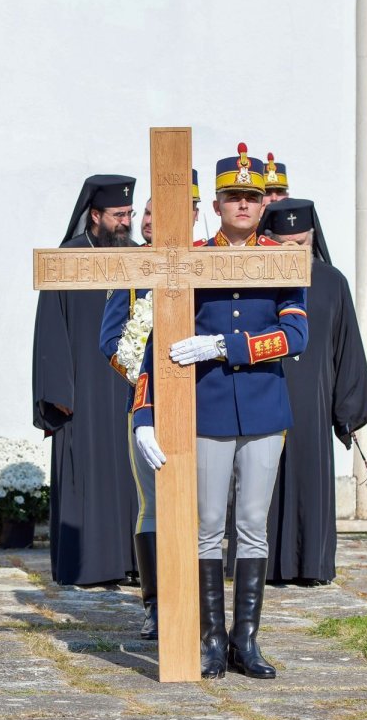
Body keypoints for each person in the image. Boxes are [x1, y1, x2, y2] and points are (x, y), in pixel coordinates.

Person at [132, 142, 308, 679]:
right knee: (208, 526)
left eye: (251, 199)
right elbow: (155, 346)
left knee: (252, 525)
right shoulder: (189, 259)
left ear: (262, 205)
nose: (242, 207)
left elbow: (295, 334)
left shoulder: (281, 259)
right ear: (215, 203)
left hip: (261, 410)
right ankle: (210, 640)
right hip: (204, 411)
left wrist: (224, 347)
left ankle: (245, 641)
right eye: (232, 197)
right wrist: (144, 415)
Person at [97, 170, 201, 640]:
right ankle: (156, 603)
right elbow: (112, 341)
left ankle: (202, 602)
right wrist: (150, 381)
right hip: (148, 405)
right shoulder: (134, 267)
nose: (150, 220)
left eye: (166, 210)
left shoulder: (213, 263)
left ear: (194, 213)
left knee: (207, 506)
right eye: (148, 210)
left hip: (207, 404)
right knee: (154, 505)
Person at [259, 198, 367, 585]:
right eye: (287, 245)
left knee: (310, 479)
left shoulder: (332, 281)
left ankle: (311, 565)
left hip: (313, 401)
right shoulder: (255, 279)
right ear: (271, 241)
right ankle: (261, 566)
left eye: (302, 244)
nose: (296, 252)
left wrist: (347, 411)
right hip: (265, 395)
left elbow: (347, 349)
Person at [32, 174, 139, 586]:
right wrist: (58, 390)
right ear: (94, 215)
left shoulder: (137, 256)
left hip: (129, 386)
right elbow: (50, 327)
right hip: (84, 391)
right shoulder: (68, 258)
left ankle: (133, 563)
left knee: (132, 477)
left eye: (129, 213)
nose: (125, 222)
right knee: (87, 476)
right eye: (117, 215)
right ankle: (88, 566)